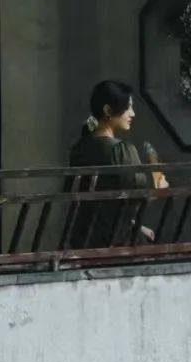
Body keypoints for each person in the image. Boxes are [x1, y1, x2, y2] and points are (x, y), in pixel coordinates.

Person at [66, 80, 155, 247]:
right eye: (128, 107)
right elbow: (139, 197)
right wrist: (159, 187)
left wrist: (136, 225)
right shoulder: (121, 150)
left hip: (83, 238)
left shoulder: (79, 149)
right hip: (116, 240)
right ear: (108, 110)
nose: (132, 113)